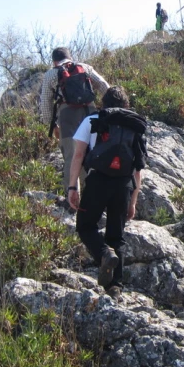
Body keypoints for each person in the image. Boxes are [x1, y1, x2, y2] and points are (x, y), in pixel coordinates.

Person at [67, 86, 147, 300]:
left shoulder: (92, 120)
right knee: (116, 236)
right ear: (126, 105)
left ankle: (104, 254)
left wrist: (73, 186)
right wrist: (133, 200)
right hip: (123, 184)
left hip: (98, 181)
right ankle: (115, 288)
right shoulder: (133, 125)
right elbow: (138, 167)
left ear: (104, 103)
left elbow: (78, 156)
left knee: (85, 226)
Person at [40, 47, 109, 194]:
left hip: (67, 117)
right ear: (70, 57)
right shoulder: (84, 67)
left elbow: (45, 103)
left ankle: (71, 197)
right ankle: (93, 194)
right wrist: (110, 109)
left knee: (72, 156)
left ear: (54, 61)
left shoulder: (51, 74)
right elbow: (104, 86)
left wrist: (53, 126)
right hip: (90, 113)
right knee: (92, 152)